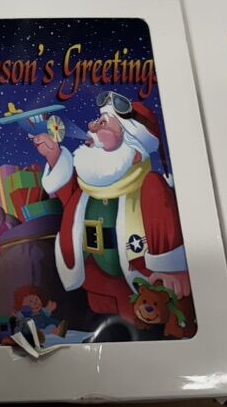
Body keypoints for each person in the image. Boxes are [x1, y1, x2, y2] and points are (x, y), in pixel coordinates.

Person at [32, 91, 189, 325]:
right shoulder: (88, 186)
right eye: (97, 121)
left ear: (133, 151)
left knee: (137, 326)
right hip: (91, 280)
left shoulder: (149, 185)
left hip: (134, 282)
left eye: (102, 124)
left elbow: (164, 226)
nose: (91, 128)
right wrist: (55, 157)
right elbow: (69, 200)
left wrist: (172, 269)